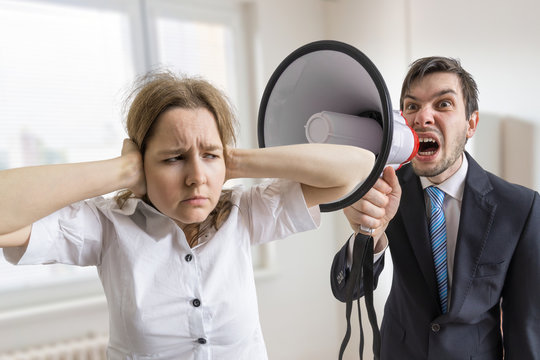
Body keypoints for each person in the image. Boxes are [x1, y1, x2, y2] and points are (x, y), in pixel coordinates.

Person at [0, 71, 376, 360]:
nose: (197, 178)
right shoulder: (106, 225)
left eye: (209, 156)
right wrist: (122, 172)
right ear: (142, 162)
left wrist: (233, 161)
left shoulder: (244, 212)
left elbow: (358, 166)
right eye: (173, 158)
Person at [330, 57, 540, 359]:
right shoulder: (386, 190)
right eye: (412, 106)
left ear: (471, 124)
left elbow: (527, 327)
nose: (423, 117)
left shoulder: (520, 208)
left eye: (442, 104)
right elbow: (346, 289)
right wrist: (369, 237)